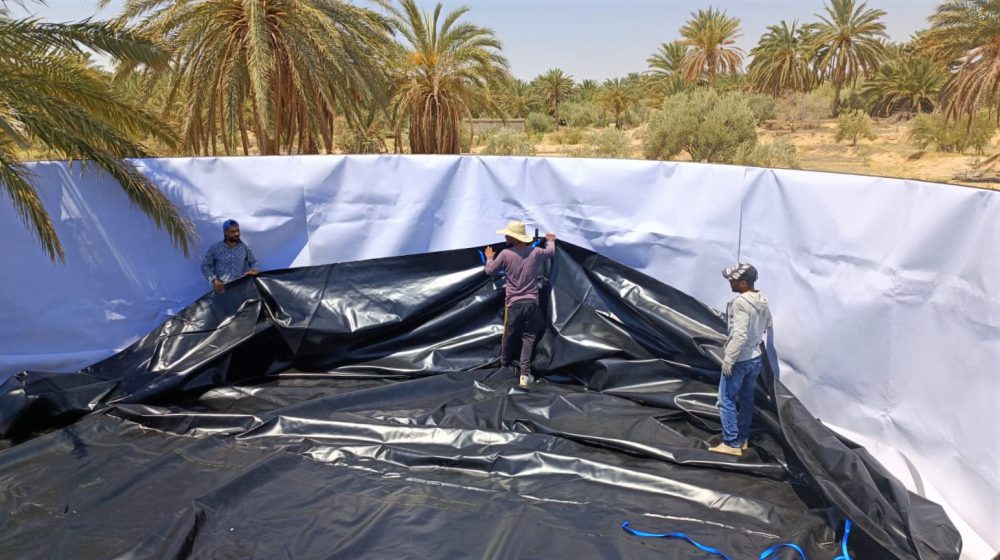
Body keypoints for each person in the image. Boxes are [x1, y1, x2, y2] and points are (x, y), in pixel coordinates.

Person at [708, 262, 772, 457]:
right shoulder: (762, 298)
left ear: (743, 283)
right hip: (755, 357)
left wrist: (729, 359)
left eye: (733, 280)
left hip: (741, 359)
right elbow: (768, 323)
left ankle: (731, 443)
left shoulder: (741, 302)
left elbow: (740, 335)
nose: (730, 283)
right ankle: (742, 439)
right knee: (746, 399)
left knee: (725, 399)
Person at [484, 221, 556, 388]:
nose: (505, 236)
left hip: (513, 304)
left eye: (507, 234)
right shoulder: (536, 252)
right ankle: (524, 375)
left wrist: (489, 257)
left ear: (514, 237)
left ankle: (505, 366)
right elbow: (551, 252)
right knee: (529, 338)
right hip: (531, 303)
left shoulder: (505, 254)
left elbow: (490, 271)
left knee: (509, 335)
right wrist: (550, 239)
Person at [200, 219, 260, 294]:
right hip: (222, 290)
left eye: (238, 230)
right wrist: (214, 280)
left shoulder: (244, 247)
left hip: (240, 289)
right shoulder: (216, 248)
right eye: (233, 231)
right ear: (225, 232)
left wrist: (254, 270)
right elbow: (205, 265)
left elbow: (254, 262)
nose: (236, 233)